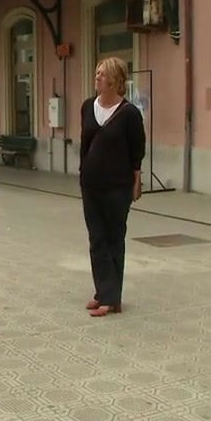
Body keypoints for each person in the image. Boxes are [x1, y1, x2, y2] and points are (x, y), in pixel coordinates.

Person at [79, 57, 146, 317]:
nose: (97, 77)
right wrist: (82, 174)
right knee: (96, 239)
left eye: (102, 74)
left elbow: (137, 151)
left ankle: (111, 298)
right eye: (96, 73)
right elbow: (85, 146)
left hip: (117, 188)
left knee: (113, 238)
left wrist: (136, 181)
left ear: (116, 81)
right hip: (91, 186)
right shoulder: (87, 107)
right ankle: (104, 293)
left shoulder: (129, 113)